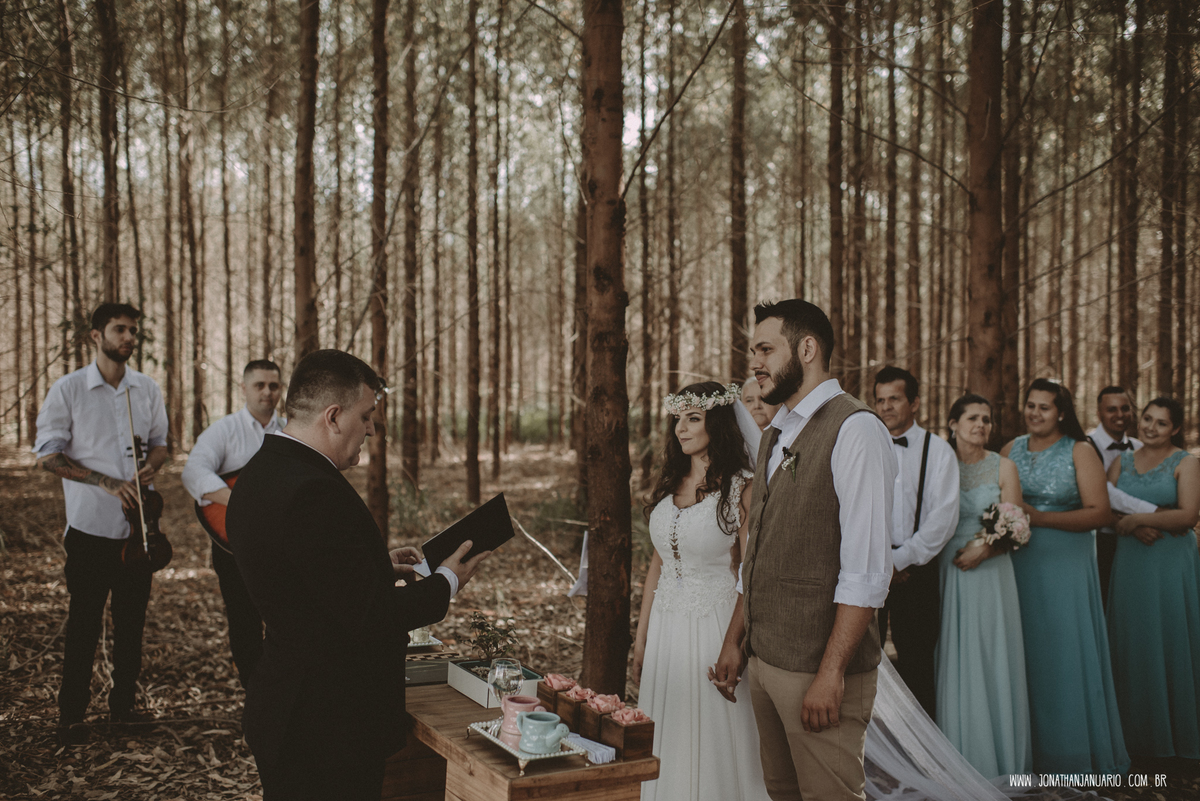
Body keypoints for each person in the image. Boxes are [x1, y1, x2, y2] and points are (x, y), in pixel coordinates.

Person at [225, 350, 489, 801]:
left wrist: (372, 565)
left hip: (290, 705)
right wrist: (446, 580)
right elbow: (371, 614)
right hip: (325, 726)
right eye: (366, 416)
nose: (370, 429)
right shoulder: (314, 492)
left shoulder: (262, 471)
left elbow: (302, 573)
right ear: (333, 416)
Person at [732, 299, 896, 801]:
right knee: (781, 792)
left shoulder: (856, 428)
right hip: (764, 661)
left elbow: (866, 570)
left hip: (817, 670)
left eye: (765, 348)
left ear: (807, 348)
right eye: (752, 350)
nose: (754, 362)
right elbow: (758, 544)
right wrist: (738, 642)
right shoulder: (776, 433)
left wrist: (830, 674)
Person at [33, 303, 170, 745]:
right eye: (119, 329)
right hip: (90, 531)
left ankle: (123, 709)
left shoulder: (146, 389)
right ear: (96, 335)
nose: (129, 337)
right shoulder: (69, 389)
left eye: (133, 330)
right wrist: (104, 481)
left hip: (138, 530)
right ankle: (71, 715)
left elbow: (161, 445)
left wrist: (150, 467)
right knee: (84, 623)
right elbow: (48, 455)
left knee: (131, 625)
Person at [632, 380, 767, 801]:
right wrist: (641, 637)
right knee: (669, 729)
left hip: (716, 624)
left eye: (694, 419)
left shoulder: (741, 488)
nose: (681, 429)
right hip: (666, 627)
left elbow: (750, 572)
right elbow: (658, 564)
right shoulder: (670, 481)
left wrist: (736, 642)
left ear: (719, 423)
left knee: (714, 734)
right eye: (678, 419)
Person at [1001, 378, 1128, 774]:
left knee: (1062, 654)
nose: (1035, 413)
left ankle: (1069, 754)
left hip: (1066, 568)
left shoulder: (1079, 450)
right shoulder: (1010, 449)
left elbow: (1100, 513)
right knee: (1025, 654)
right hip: (1018, 564)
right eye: (1030, 405)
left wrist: (1039, 518)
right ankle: (1026, 753)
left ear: (1061, 412)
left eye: (1044, 407)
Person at [935, 393, 1031, 777]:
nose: (981, 425)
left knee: (994, 654)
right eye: (972, 417)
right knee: (956, 653)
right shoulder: (940, 464)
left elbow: (1019, 525)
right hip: (949, 568)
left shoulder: (1003, 466)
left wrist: (985, 549)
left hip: (992, 571)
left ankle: (1003, 759)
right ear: (953, 424)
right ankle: (961, 756)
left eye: (987, 419)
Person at [1105, 397, 1200, 761]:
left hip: (1170, 563)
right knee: (1134, 640)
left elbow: (1188, 515)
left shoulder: (1186, 462)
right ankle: (1135, 738)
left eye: (1161, 423)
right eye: (1147, 419)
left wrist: (1139, 521)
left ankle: (1178, 740)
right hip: (1131, 563)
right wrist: (1125, 524)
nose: (1150, 427)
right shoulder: (1121, 461)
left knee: (1171, 638)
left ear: (1175, 429)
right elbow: (1106, 507)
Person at [181, 359, 284, 689]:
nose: (267, 392)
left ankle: (281, 689)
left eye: (274, 386)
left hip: (282, 545)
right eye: (259, 385)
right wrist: (241, 503)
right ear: (243, 388)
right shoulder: (223, 431)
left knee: (286, 620)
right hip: (234, 547)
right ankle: (254, 693)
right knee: (244, 622)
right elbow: (194, 472)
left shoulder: (292, 431)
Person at [872, 366, 959, 718]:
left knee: (918, 663)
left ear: (915, 403)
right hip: (869, 568)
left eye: (894, 398)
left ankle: (921, 762)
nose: (886, 407)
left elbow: (945, 517)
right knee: (867, 663)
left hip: (918, 572)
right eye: (880, 400)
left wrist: (902, 560)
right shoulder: (866, 447)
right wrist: (880, 560)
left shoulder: (939, 452)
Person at [1087, 386, 1153, 605]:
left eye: (1125, 409)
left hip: (1140, 542)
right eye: (1111, 409)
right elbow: (1095, 496)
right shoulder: (1085, 448)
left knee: (1137, 601)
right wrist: (1131, 523)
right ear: (1099, 413)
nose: (1119, 415)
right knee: (1105, 601)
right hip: (1101, 543)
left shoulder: (1140, 446)